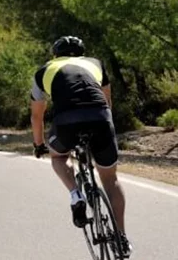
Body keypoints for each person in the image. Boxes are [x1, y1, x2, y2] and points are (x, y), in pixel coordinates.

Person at [31, 36, 130, 256]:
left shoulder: (44, 70)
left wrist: (38, 145)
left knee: (57, 157)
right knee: (111, 180)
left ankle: (76, 194)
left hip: (66, 121)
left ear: (55, 54)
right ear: (82, 53)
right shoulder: (95, 64)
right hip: (100, 118)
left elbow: (37, 115)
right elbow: (107, 102)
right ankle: (121, 237)